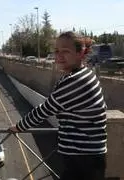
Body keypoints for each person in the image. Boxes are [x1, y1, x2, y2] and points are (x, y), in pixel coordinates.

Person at [9, 31, 107, 180]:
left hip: (82, 159)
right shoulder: (88, 74)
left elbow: (44, 111)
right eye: (56, 51)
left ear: (81, 53)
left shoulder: (74, 81)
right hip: (91, 156)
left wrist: (18, 127)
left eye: (65, 51)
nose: (59, 56)